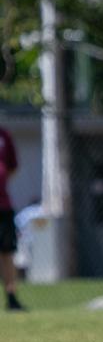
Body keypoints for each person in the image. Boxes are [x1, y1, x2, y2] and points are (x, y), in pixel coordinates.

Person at [0, 126, 25, 311]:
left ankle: (11, 297)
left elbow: (12, 167)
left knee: (7, 251)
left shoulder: (4, 135)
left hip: (3, 205)